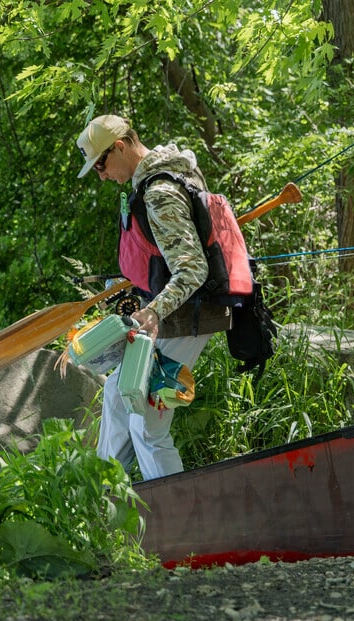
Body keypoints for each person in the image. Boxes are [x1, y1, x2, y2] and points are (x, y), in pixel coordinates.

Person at [76, 114, 231, 480]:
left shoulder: (159, 193)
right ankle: (103, 495)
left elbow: (193, 268)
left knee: (147, 423)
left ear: (120, 146)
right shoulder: (160, 177)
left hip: (188, 315)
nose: (101, 175)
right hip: (177, 313)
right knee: (116, 394)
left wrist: (154, 310)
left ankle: (172, 512)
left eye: (101, 163)